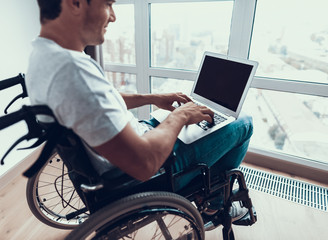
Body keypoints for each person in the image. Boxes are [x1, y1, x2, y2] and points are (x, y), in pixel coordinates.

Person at [26, 0, 253, 226]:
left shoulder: (46, 56)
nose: (113, 16)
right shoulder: (74, 72)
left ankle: (212, 193)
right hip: (146, 172)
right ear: (74, 3)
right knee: (243, 123)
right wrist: (180, 116)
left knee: (203, 126)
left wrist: (152, 98)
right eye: (107, 4)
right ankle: (213, 205)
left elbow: (100, 102)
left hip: (131, 144)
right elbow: (144, 164)